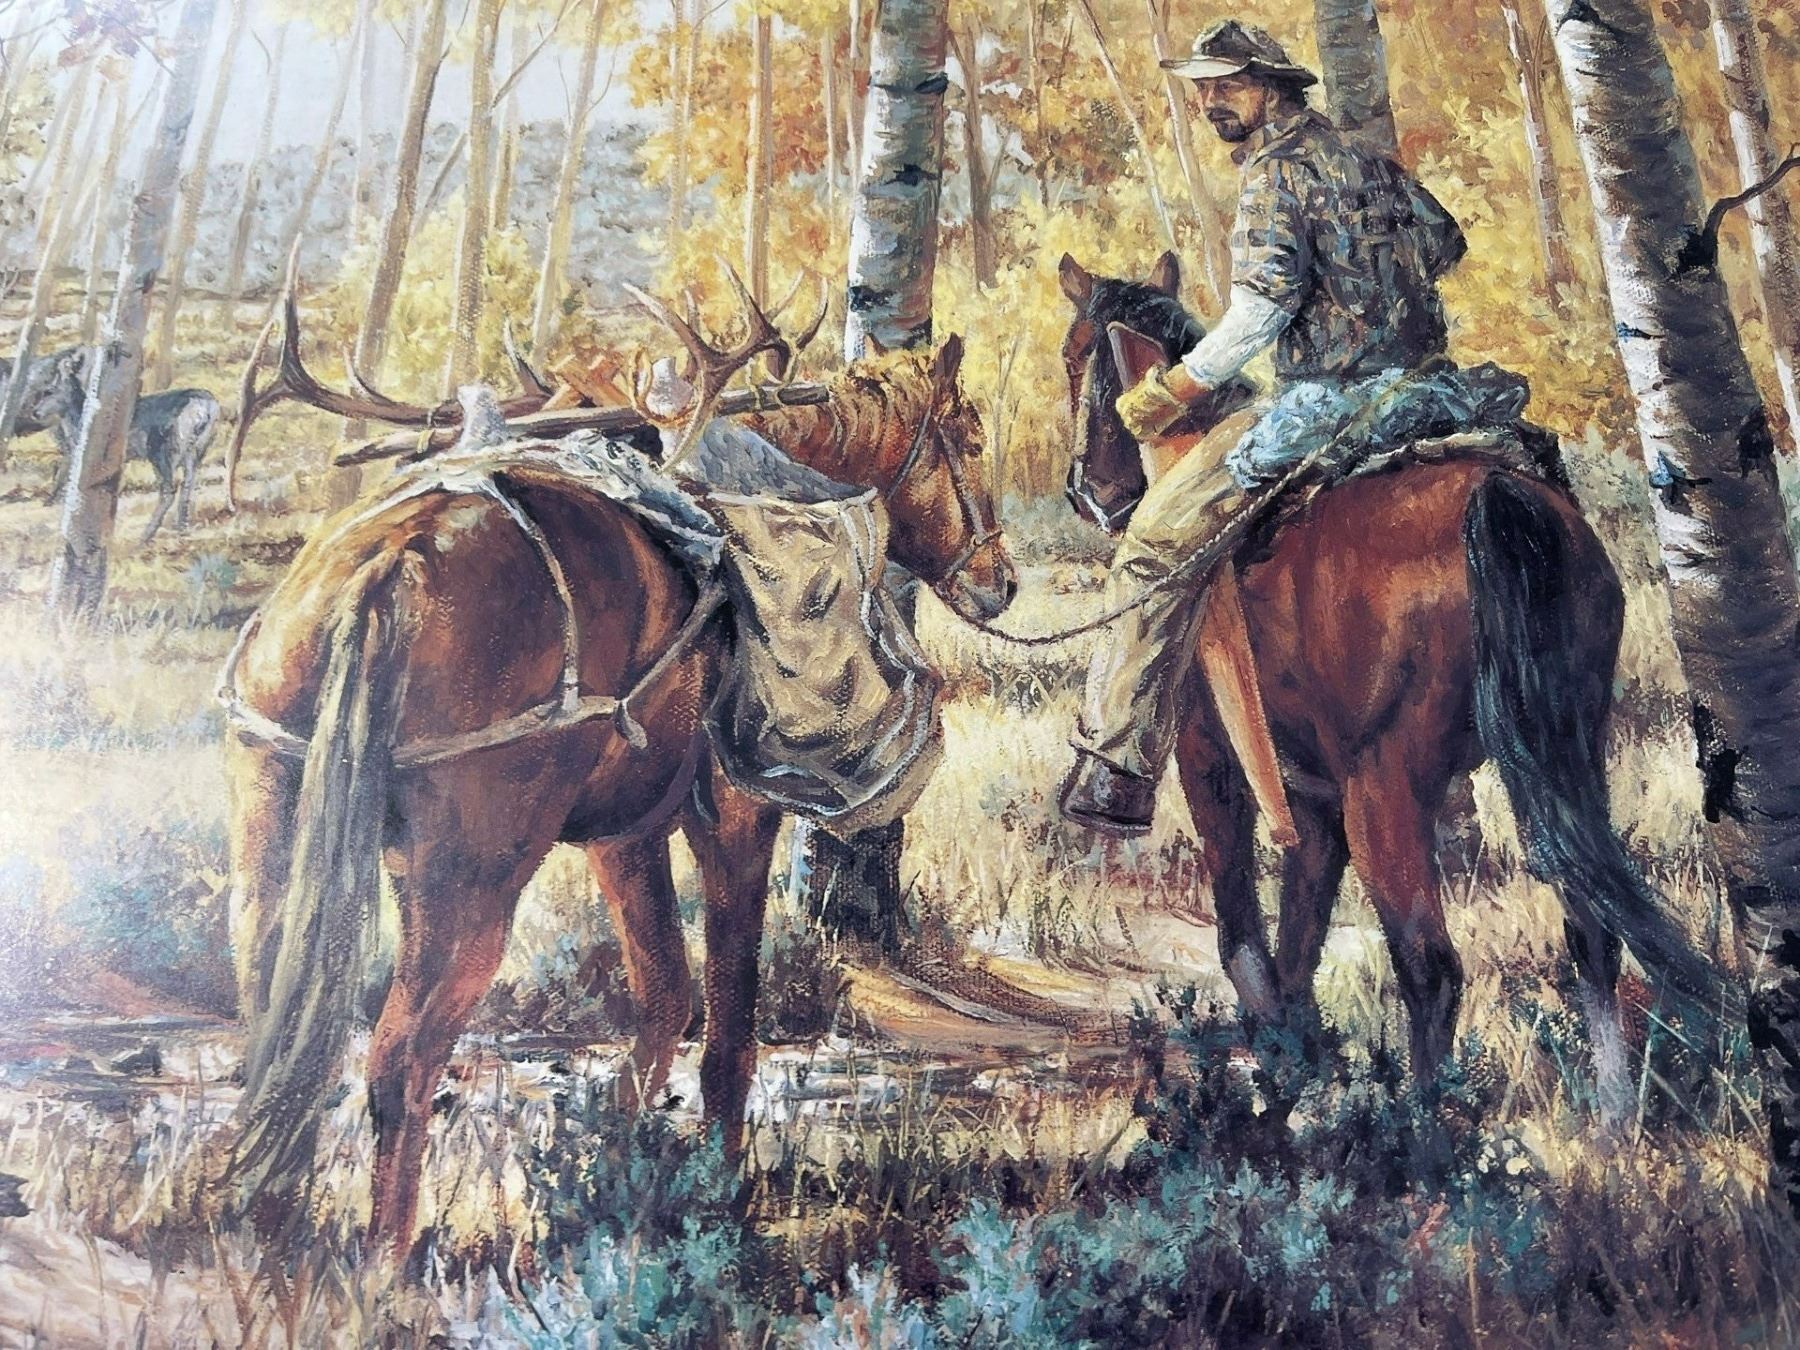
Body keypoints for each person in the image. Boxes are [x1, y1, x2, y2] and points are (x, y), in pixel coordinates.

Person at [1060, 19, 1470, 836]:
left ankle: (1117, 765)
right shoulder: (1366, 159)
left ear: (1273, 88)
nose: (1210, 101)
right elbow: (1446, 244)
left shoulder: (1274, 174)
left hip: (1332, 406)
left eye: (1228, 85)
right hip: (1432, 393)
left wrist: (1171, 390)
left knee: (1153, 543)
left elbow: (1260, 312)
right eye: (1202, 88)